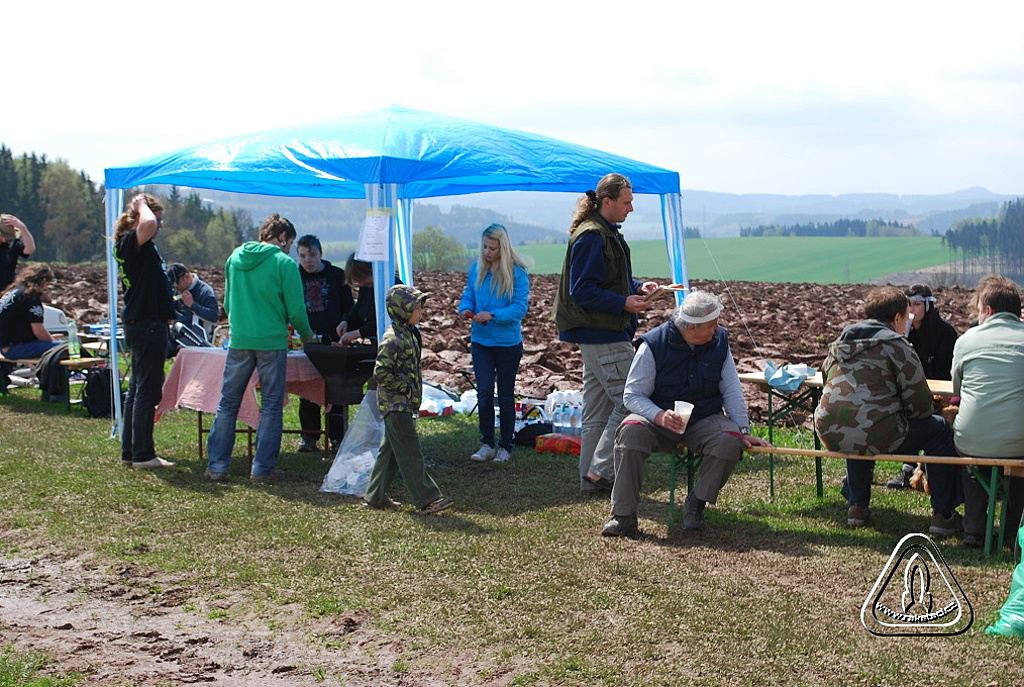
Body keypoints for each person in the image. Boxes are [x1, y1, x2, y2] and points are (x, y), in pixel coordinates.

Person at [602, 291, 770, 537]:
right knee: (630, 432)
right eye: (712, 325)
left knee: (729, 440)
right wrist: (659, 415)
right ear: (692, 328)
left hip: (703, 419)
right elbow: (632, 395)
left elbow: (732, 391)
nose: (717, 329)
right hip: (657, 419)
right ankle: (624, 516)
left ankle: (696, 503)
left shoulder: (719, 343)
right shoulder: (653, 345)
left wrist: (742, 430)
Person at [814, 286, 963, 532]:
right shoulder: (897, 346)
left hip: (829, 430)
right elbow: (920, 405)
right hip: (875, 430)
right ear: (897, 318)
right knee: (937, 430)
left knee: (860, 423)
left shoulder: (840, 344)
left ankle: (857, 507)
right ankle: (943, 514)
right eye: (906, 316)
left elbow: (825, 377)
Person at [553, 173, 658, 495]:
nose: (631, 209)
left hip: (599, 334)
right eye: (627, 202)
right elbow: (582, 290)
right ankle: (600, 471)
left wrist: (638, 287)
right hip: (603, 335)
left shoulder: (604, 233)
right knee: (636, 399)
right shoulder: (592, 236)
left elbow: (606, 279)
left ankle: (589, 479)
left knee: (597, 411)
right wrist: (624, 302)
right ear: (608, 202)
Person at [205, 214, 314, 482]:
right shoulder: (283, 263)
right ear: (283, 237)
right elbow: (297, 310)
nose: (289, 248)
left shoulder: (234, 259)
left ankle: (217, 466)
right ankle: (262, 468)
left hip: (240, 340)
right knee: (272, 406)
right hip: (271, 342)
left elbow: (228, 305)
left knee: (228, 404)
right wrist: (309, 337)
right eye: (290, 242)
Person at [363, 285, 452, 514]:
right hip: (395, 404)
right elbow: (380, 373)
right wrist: (406, 390)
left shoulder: (410, 333)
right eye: (416, 308)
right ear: (402, 310)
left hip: (403, 403)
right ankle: (427, 499)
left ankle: (375, 495)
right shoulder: (392, 339)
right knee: (411, 452)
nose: (421, 312)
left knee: (391, 452)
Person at [951, 275, 1024, 548]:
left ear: (988, 310)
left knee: (971, 462)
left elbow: (956, 388)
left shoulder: (967, 340)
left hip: (973, 439)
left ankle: (974, 528)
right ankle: (1013, 530)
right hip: (1019, 440)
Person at [458, 224, 530, 464]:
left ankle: (506, 445)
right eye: (485, 247)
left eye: (493, 248)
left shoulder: (517, 273)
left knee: (506, 395)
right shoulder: (476, 269)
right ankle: (486, 442)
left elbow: (519, 308)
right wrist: (466, 308)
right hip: (481, 341)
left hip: (508, 343)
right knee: (485, 391)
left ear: (503, 248)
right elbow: (469, 292)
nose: (488, 252)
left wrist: (494, 315)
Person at [115, 193, 175, 470]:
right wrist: (141, 205)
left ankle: (131, 451)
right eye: (158, 219)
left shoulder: (134, 245)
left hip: (144, 324)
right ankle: (143, 454)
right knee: (147, 391)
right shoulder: (131, 241)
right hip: (147, 325)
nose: (159, 226)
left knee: (138, 389)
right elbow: (148, 225)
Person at [886, 283, 959, 489]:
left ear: (928, 306)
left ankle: (929, 470)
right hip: (912, 391)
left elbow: (948, 372)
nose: (912, 310)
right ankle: (908, 467)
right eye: (908, 305)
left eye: (917, 304)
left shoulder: (945, 333)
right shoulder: (904, 336)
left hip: (939, 392)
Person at [296, 234, 354, 453]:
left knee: (335, 389)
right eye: (302, 256)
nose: (307, 260)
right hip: (304, 340)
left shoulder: (337, 276)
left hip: (333, 342)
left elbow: (349, 307)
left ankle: (337, 436)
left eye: (311, 255)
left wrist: (345, 324)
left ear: (320, 253)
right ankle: (309, 437)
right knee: (307, 389)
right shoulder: (293, 276)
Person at [0, 263, 60, 359]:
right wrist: (51, 341)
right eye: (47, 284)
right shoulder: (31, 296)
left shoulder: (13, 292)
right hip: (16, 348)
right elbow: (38, 331)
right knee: (66, 348)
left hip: (5, 346)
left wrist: (50, 339)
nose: (46, 288)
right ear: (43, 280)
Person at [166, 263, 219, 351]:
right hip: (177, 334)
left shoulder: (205, 291)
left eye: (177, 285)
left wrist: (192, 305)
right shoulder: (177, 292)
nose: (176, 289)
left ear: (186, 277)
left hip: (198, 339)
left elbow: (213, 317)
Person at [0, 213, 36, 292]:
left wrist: (23, 228)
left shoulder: (12, 244)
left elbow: (29, 250)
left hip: (6, 292)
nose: (5, 239)